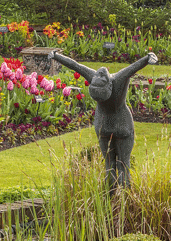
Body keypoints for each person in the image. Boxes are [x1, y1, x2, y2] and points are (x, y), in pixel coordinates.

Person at [49, 50, 158, 192]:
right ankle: (124, 200)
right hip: (122, 125)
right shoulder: (119, 78)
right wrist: (148, 57)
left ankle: (109, 198)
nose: (100, 73)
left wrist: (56, 56)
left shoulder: (92, 75)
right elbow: (134, 67)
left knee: (109, 164)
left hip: (103, 126)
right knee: (124, 165)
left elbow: (75, 65)